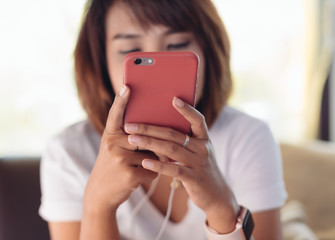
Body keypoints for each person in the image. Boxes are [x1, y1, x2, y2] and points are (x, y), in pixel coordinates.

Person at [39, 0, 287, 239]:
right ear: (100, 62)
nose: (156, 62)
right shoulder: (67, 153)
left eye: (177, 44)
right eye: (130, 51)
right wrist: (97, 204)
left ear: (208, 50)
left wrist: (221, 207)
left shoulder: (248, 138)